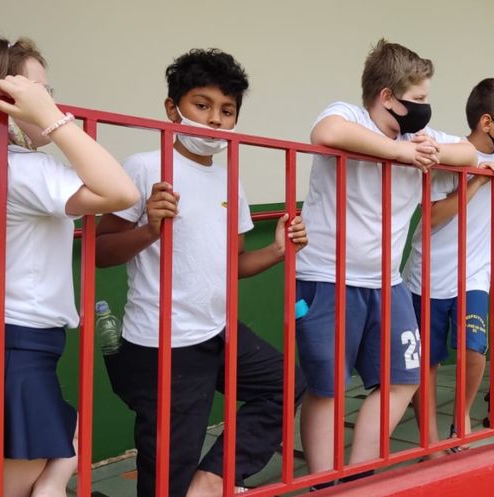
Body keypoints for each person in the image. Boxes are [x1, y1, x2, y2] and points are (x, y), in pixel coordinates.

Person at [95, 49, 307, 497]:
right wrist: (150, 229)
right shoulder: (146, 166)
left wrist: (276, 251)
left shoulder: (230, 179)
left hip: (218, 331)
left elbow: (234, 265)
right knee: (166, 473)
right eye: (202, 105)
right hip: (164, 342)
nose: (215, 119)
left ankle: (212, 480)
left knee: (285, 383)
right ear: (172, 108)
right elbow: (100, 251)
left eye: (227, 110)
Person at [294, 39, 476, 486]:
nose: (425, 108)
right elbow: (326, 133)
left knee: (403, 378)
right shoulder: (348, 115)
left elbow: (471, 154)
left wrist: (432, 152)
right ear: (387, 97)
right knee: (327, 388)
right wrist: (401, 154)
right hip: (328, 277)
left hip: (387, 282)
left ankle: (360, 478)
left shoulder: (418, 138)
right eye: (418, 98)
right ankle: (324, 484)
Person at [0, 37, 139, 497]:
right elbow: (121, 192)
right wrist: (56, 121)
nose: (49, 101)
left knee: (64, 439)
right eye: (38, 92)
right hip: (16, 342)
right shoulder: (21, 169)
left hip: (9, 338)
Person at [402, 77, 494, 452]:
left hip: (474, 274)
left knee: (474, 348)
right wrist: (474, 183)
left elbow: (491, 217)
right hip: (429, 275)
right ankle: (429, 440)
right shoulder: (451, 149)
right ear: (487, 122)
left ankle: (462, 415)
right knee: (429, 359)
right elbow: (433, 217)